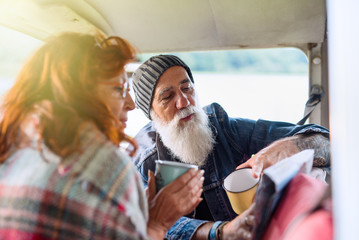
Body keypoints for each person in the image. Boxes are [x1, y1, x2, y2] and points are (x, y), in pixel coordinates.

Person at [0, 33, 205, 240]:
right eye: (119, 89)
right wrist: (157, 224)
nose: (130, 104)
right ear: (79, 93)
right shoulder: (106, 167)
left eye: (187, 88)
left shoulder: (13, 149)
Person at [131, 54, 331, 240]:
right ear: (150, 113)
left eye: (187, 87)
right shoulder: (143, 160)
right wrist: (221, 231)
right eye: (167, 97)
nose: (183, 102)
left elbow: (325, 141)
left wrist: (281, 149)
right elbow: (153, 221)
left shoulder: (221, 127)